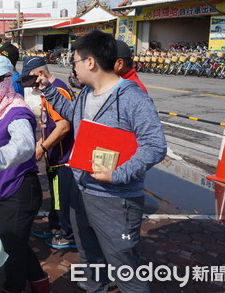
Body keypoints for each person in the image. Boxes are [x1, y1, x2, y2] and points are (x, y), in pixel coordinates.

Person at [36, 30, 166, 292]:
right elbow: (75, 115)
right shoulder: (87, 94)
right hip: (82, 191)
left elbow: (155, 145)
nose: (73, 68)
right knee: (89, 258)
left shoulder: (132, 97)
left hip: (116, 200)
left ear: (90, 62)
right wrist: (49, 91)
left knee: (124, 265)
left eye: (74, 62)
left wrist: (118, 174)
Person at [0, 55, 50, 293]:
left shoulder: (16, 111)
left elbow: (24, 144)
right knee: (16, 244)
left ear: (6, 81)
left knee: (11, 249)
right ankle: (40, 284)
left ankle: (12, 288)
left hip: (20, 189)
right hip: (4, 189)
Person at [19, 57, 76, 249]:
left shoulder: (57, 91)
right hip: (54, 156)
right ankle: (55, 226)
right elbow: (49, 127)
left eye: (31, 80)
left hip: (63, 158)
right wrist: (38, 146)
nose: (30, 86)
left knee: (62, 199)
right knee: (56, 197)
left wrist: (42, 149)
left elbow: (63, 127)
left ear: (41, 74)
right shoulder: (48, 91)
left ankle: (67, 234)